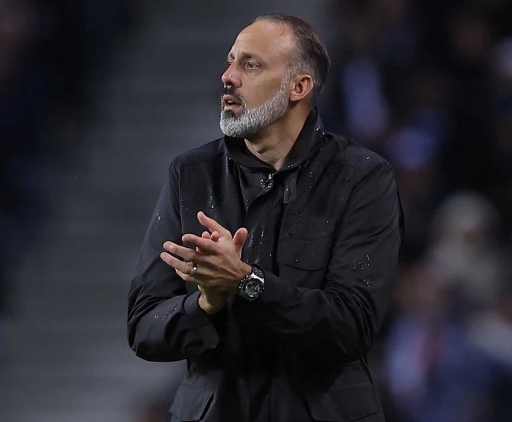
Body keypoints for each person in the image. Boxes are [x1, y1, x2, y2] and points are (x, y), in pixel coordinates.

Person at [127, 13, 403, 422]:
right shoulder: (191, 175)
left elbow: (352, 326)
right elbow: (144, 327)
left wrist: (246, 282)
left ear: (299, 87)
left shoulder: (362, 177)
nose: (228, 77)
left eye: (250, 65)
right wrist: (206, 303)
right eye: (231, 62)